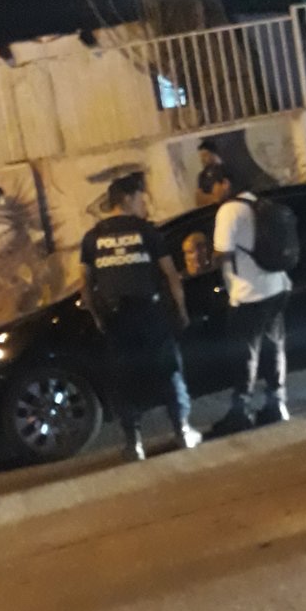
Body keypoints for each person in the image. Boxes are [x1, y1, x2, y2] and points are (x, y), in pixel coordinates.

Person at [80, 170, 202, 461]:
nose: (143, 204)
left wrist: (98, 318)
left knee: (124, 379)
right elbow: (171, 275)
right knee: (169, 370)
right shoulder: (147, 232)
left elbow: (86, 287)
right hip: (149, 314)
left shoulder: (92, 238)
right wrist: (181, 310)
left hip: (116, 319)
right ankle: (182, 430)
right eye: (139, 198)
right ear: (126, 199)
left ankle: (133, 443)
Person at [211, 173, 292, 435]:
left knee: (244, 355)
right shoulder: (260, 204)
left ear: (225, 183)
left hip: (248, 293)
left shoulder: (228, 210)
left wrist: (212, 261)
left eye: (212, 188)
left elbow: (222, 253)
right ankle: (277, 404)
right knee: (274, 348)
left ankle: (241, 412)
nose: (212, 195)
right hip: (278, 287)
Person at [195, 139, 226, 207]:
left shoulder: (223, 169)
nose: (202, 159)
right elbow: (198, 200)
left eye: (205, 155)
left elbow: (219, 198)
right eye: (201, 156)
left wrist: (205, 198)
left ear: (213, 154)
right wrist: (212, 197)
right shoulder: (201, 175)